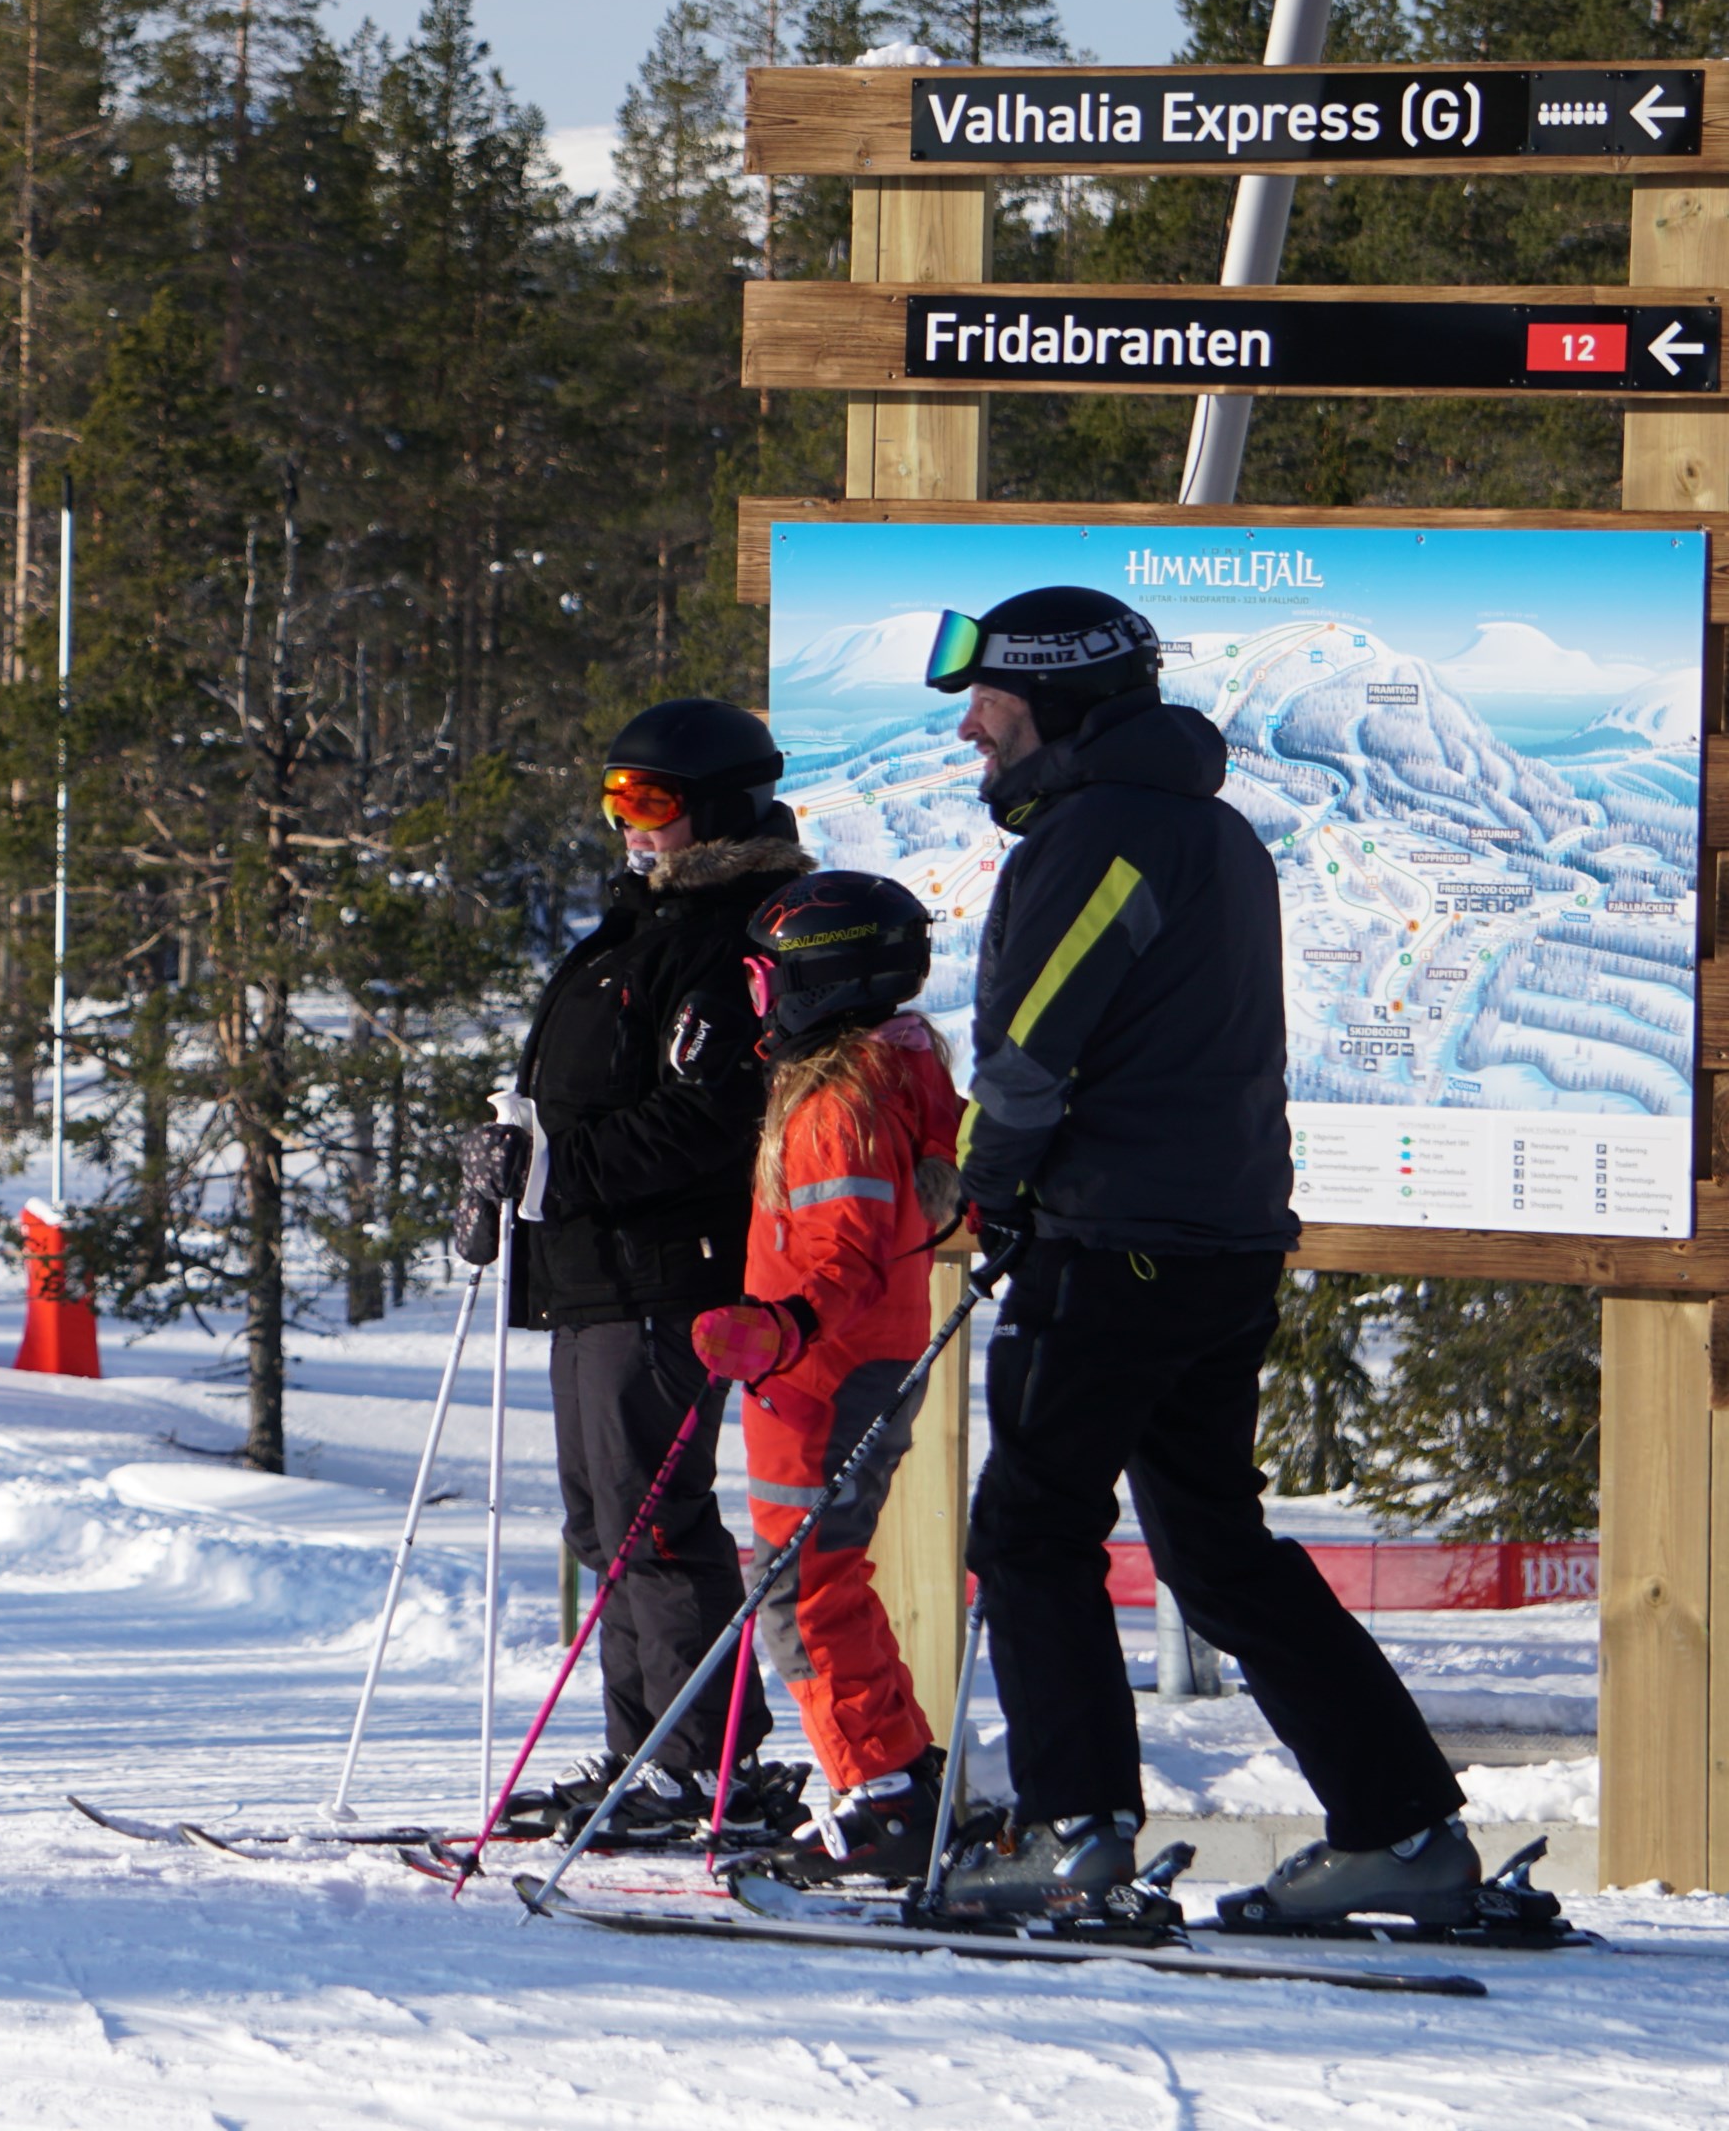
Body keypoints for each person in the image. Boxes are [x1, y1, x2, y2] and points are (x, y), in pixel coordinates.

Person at [919, 585, 1477, 1927]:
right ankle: (1401, 1829)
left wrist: (980, 1190)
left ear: (1054, 701)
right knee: (1215, 1548)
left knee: (1029, 1527)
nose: (968, 731)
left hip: (1113, 1242)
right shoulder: (1203, 828)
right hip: (1212, 1239)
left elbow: (1031, 1048)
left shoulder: (1097, 835)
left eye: (985, 701)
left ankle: (1071, 1831)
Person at [502, 697, 803, 1838]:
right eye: (613, 796)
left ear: (717, 808)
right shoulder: (636, 925)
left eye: (650, 798)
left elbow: (708, 1117)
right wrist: (517, 1156)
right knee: (602, 1525)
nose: (626, 819)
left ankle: (701, 1761)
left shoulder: (723, 938)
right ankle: (645, 1754)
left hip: (664, 1273)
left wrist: (557, 1168)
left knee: (653, 1521)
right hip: (588, 1270)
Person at [690, 870, 961, 1884]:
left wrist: (781, 1324)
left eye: (763, 979)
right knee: (821, 1577)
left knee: (798, 1592)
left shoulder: (836, 1101)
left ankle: (879, 1790)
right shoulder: (896, 1074)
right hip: (840, 1366)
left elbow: (843, 1252)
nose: (754, 999)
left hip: (821, 1374)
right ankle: (898, 1774)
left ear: (819, 980)